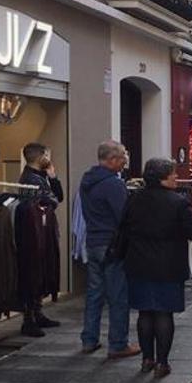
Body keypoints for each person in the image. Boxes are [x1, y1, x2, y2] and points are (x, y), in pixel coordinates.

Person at [119, 158, 192, 378]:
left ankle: (147, 359)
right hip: (168, 265)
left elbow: (123, 230)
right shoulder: (178, 202)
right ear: (162, 177)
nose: (176, 177)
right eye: (172, 174)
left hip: (138, 264)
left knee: (145, 312)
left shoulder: (134, 199)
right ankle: (162, 363)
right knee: (164, 313)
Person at [79, 140, 140, 358]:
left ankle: (89, 339)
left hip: (93, 241)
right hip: (112, 244)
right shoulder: (113, 184)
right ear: (112, 160)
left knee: (95, 293)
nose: (125, 162)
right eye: (123, 157)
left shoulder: (87, 181)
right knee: (118, 296)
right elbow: (124, 216)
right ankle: (117, 343)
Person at [17, 142, 64, 337]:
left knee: (41, 270)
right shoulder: (31, 179)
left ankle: (37, 313)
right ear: (40, 156)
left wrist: (52, 178)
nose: (50, 158)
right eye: (47, 154)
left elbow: (56, 199)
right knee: (33, 271)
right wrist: (52, 184)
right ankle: (29, 318)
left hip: (42, 230)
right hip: (34, 233)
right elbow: (51, 200)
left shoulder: (38, 177)